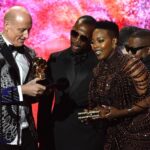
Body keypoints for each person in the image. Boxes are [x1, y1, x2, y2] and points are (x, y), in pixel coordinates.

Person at [37, 15, 106, 150]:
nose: (76, 40)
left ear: (91, 40)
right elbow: (45, 102)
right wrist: (42, 134)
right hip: (57, 131)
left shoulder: (101, 63)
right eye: (74, 34)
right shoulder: (55, 59)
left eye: (83, 38)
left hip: (88, 135)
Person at [85, 20, 150, 150]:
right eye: (92, 42)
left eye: (100, 41)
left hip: (138, 137)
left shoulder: (130, 64)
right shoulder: (98, 69)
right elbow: (107, 102)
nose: (95, 46)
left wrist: (120, 113)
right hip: (112, 136)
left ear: (114, 42)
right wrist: (95, 112)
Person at [0, 6, 46, 150]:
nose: (26, 35)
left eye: (29, 30)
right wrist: (22, 90)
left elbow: (29, 94)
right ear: (7, 25)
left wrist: (39, 91)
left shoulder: (30, 54)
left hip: (27, 134)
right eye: (22, 30)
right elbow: (23, 91)